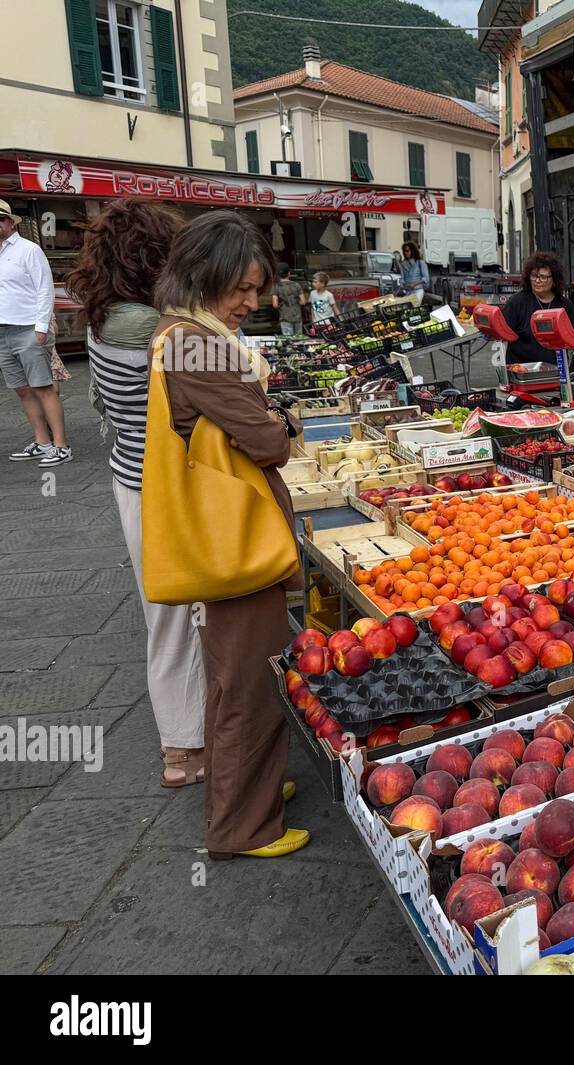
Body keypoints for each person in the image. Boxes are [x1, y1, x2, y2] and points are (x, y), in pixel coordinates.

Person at [150, 210, 308, 860]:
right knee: (251, 682)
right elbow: (267, 440)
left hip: (223, 541)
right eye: (239, 288)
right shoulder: (199, 346)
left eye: (256, 287)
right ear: (201, 276)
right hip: (236, 545)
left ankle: (239, 786)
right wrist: (283, 422)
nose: (252, 301)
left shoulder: (177, 333)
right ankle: (243, 828)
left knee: (230, 675)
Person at [66, 199, 209, 789]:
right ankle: (195, 747)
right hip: (179, 491)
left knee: (165, 620)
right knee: (199, 618)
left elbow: (107, 409)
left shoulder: (102, 323)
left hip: (131, 482)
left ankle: (183, 749)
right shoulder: (164, 332)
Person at [0, 199, 71, 466]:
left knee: (43, 389)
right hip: (3, 331)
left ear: (9, 222)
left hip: (28, 328)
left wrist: (41, 327)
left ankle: (61, 446)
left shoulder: (28, 250)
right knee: (22, 390)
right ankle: (42, 442)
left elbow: (44, 289)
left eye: (0, 219)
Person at [501, 251, 574, 367]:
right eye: (534, 276)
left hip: (556, 372)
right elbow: (502, 332)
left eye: (543, 277)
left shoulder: (565, 305)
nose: (538, 281)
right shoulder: (517, 302)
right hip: (522, 372)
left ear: (554, 279)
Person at [271, 263, 305, 336]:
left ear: (278, 275)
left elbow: (275, 305)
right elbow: (303, 302)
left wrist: (281, 305)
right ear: (289, 273)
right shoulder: (296, 285)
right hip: (297, 317)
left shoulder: (276, 286)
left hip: (285, 318)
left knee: (288, 340)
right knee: (298, 339)